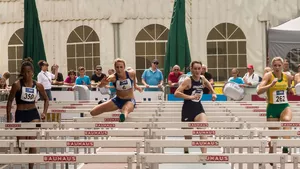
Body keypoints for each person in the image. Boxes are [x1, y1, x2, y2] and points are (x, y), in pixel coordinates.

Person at [6, 57, 49, 169]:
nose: (27, 74)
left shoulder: (38, 85)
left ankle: (31, 167)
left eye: (29, 72)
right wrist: (8, 118)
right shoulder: (17, 85)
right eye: (24, 72)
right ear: (22, 73)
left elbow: (46, 99)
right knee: (21, 141)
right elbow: (10, 101)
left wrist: (44, 112)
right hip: (20, 113)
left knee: (32, 142)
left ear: (33, 73)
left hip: (33, 113)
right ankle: (24, 157)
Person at [174, 61, 217, 155]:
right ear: (191, 69)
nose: (197, 71)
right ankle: (186, 150)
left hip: (198, 108)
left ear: (201, 69)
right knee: (188, 137)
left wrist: (213, 92)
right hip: (187, 110)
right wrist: (190, 97)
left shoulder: (202, 78)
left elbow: (208, 84)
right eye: (195, 69)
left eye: (199, 68)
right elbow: (176, 93)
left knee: (203, 129)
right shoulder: (188, 80)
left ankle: (204, 154)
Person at [257, 57, 293, 160]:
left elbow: (289, 87)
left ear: (283, 66)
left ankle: (285, 146)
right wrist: (271, 85)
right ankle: (272, 153)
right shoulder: (268, 76)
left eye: (279, 65)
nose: (277, 67)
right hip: (272, 108)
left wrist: (290, 89)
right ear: (272, 66)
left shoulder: (287, 76)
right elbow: (259, 91)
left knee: (287, 121)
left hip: (284, 106)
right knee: (274, 137)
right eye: (275, 65)